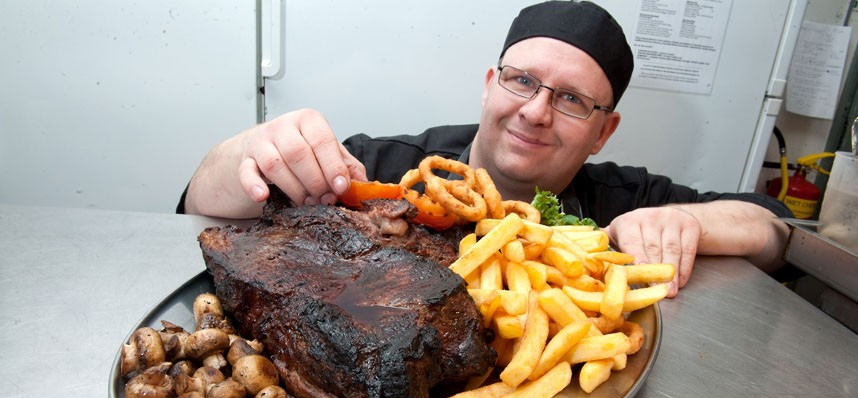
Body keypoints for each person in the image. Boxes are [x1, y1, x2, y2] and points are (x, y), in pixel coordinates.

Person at [180, 1, 791, 297]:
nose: (535, 111)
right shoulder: (382, 169)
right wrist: (244, 152)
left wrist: (687, 223)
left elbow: (777, 227)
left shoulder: (623, 201)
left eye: (573, 100)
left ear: (604, 131)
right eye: (520, 80)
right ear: (488, 83)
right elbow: (195, 203)